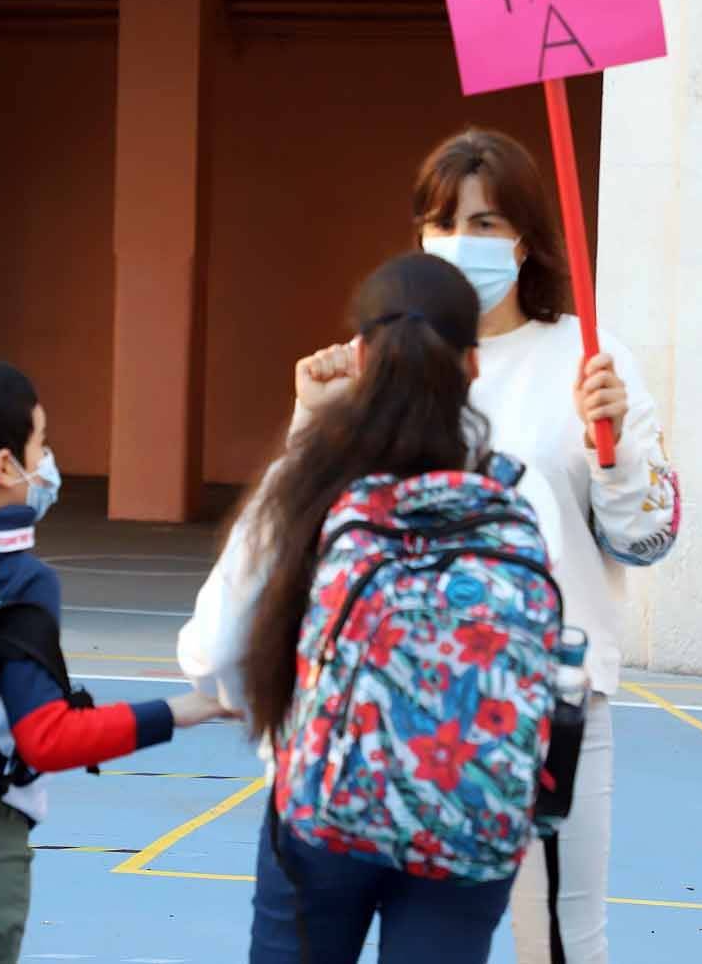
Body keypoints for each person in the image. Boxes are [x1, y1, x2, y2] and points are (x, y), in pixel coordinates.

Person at [296, 128, 681, 964]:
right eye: (443, 222)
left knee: (561, 943)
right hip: (405, 702)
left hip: (552, 699)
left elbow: (647, 537)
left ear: (526, 237)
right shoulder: (384, 362)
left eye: (485, 222)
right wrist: (313, 419)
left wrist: (612, 445)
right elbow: (310, 534)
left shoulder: (588, 359)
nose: (462, 243)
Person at [180, 254, 568, 964]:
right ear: (474, 365)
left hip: (324, 801)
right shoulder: (520, 497)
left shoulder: (308, 487)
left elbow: (214, 648)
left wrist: (305, 428)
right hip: (468, 815)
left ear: (358, 355)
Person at [0, 357, 227, 964]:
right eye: (40, 444)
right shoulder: (16, 577)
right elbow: (46, 738)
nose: (46, 460)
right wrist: (191, 708)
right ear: (6, 467)